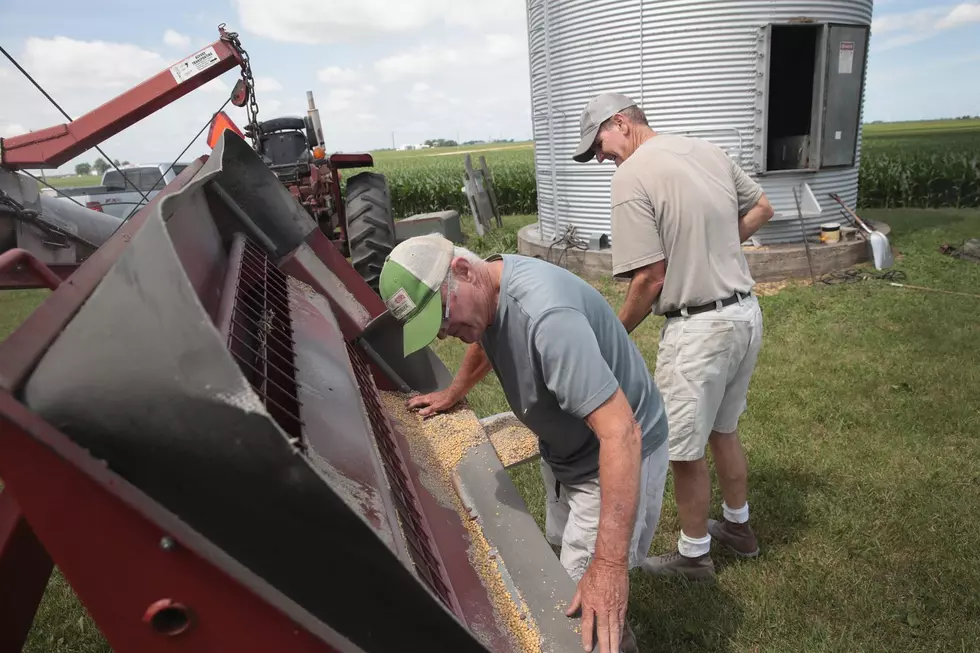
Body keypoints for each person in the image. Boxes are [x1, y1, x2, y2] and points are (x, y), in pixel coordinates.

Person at [378, 233, 671, 653]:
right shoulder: (487, 291)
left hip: (613, 456)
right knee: (565, 575)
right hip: (570, 449)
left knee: (580, 609)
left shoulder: (548, 318)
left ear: (463, 270)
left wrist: (607, 566)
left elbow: (621, 434)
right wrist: (454, 391)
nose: (444, 333)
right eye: (435, 328)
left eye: (443, 316)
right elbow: (482, 336)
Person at [571, 92, 774, 581]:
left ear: (620, 123)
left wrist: (612, 335)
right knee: (724, 430)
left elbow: (649, 279)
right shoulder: (706, 150)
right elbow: (763, 208)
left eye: (598, 144)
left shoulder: (632, 175)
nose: (599, 158)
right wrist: (714, 249)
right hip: (745, 315)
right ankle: (739, 528)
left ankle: (695, 554)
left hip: (700, 330)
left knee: (683, 450)